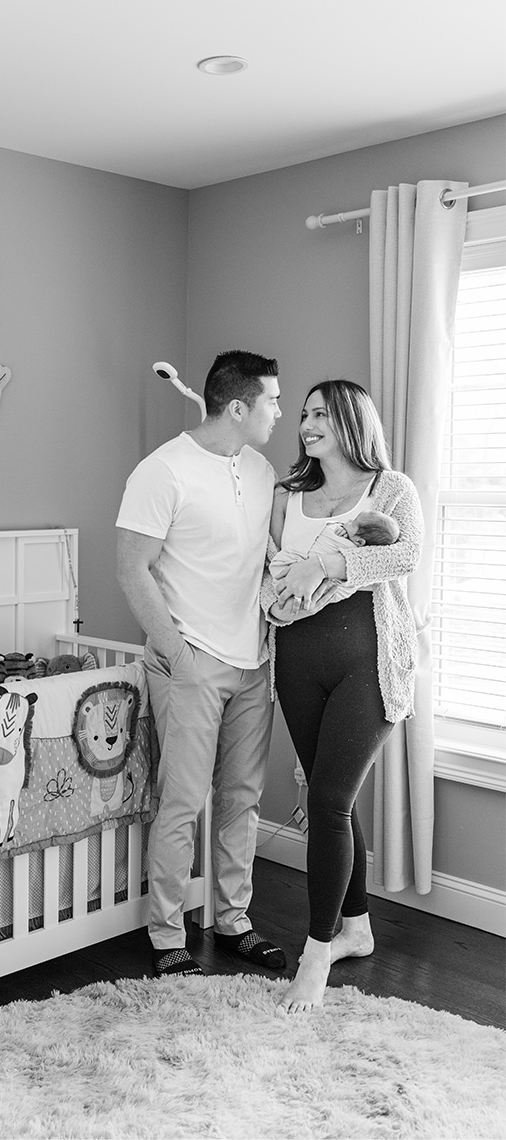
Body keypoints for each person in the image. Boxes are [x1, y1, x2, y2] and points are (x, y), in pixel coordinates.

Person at [116, 349, 286, 978]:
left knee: (242, 797)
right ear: (237, 407)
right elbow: (132, 571)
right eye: (271, 399)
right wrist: (178, 658)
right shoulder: (162, 471)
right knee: (182, 800)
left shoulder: (262, 468)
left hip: (252, 661)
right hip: (190, 660)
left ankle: (234, 917)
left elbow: (267, 555)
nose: (279, 411)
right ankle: (166, 931)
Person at [262, 379, 423, 1012]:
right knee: (337, 798)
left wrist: (328, 565)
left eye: (321, 414)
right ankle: (355, 923)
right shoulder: (290, 495)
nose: (306, 423)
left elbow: (405, 553)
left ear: (354, 421)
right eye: (302, 414)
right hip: (298, 663)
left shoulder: (391, 489)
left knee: (327, 802)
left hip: (369, 665)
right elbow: (268, 566)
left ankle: (317, 951)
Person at [269, 509, 400, 609]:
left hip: (336, 605)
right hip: (288, 587)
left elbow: (401, 560)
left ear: (359, 542)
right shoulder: (345, 533)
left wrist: (321, 566)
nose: (348, 521)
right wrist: (343, 529)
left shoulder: (357, 553)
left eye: (352, 523)